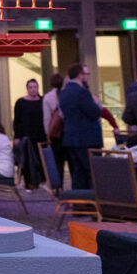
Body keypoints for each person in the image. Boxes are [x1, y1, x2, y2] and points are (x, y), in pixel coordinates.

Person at [59, 62, 102, 190]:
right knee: (92, 173)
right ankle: (94, 204)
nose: (88, 76)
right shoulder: (82, 92)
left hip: (71, 138)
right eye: (86, 74)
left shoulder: (64, 92)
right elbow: (94, 113)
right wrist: (97, 103)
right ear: (80, 75)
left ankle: (79, 204)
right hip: (86, 139)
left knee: (78, 173)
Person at [42, 73, 67, 182]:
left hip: (56, 134)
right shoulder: (67, 94)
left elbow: (46, 119)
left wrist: (48, 135)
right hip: (68, 132)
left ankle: (58, 186)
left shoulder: (47, 97)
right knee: (72, 161)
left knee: (58, 162)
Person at [12, 79, 47, 150]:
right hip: (26, 135)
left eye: (35, 87)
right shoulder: (21, 102)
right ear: (27, 89)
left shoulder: (43, 101)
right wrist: (17, 137)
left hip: (40, 135)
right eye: (30, 87)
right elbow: (17, 120)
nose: (33, 89)